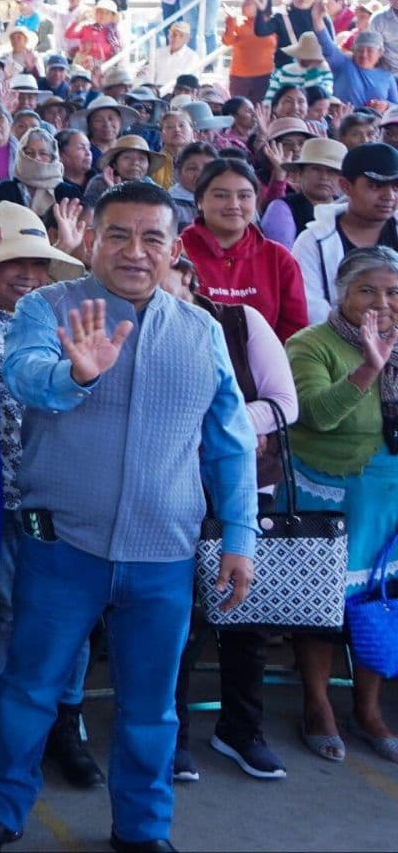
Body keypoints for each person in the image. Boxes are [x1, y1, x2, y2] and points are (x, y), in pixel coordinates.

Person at [0, 181, 257, 853]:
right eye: (118, 234)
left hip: (164, 556)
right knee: (29, 690)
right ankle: (2, 810)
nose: (134, 251)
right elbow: (25, 377)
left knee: (150, 708)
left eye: (153, 237)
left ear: (174, 247)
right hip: (63, 548)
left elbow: (230, 442)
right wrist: (78, 375)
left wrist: (240, 536)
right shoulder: (48, 308)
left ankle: (142, 829)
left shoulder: (200, 330)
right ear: (91, 239)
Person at [0, 203, 105, 790]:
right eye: (15, 261)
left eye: (39, 263)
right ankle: (3, 717)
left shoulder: (61, 315)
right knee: (1, 613)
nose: (28, 274)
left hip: (61, 491)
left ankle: (66, 724)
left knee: (72, 613)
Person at [163, 255, 299, 782]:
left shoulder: (240, 322)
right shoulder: (133, 326)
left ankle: (242, 730)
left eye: (171, 289)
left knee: (246, 618)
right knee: (179, 617)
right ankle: (172, 737)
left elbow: (285, 404)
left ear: (190, 282)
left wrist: (224, 420)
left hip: (242, 486)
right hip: (172, 490)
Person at [283, 245, 398, 766]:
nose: (382, 302)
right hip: (327, 492)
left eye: (393, 292)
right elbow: (318, 415)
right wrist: (369, 369)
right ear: (342, 294)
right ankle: (317, 704)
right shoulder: (311, 344)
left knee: (379, 602)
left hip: (387, 493)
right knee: (322, 607)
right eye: (367, 290)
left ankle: (369, 710)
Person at [180, 158, 309, 341]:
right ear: (200, 201)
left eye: (244, 196)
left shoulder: (278, 258)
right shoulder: (176, 254)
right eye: (221, 195)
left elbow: (294, 332)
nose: (233, 205)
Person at [292, 141, 398, 323]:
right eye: (375, 186)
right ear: (346, 186)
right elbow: (313, 310)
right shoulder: (313, 241)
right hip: (334, 346)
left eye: (396, 187)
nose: (389, 196)